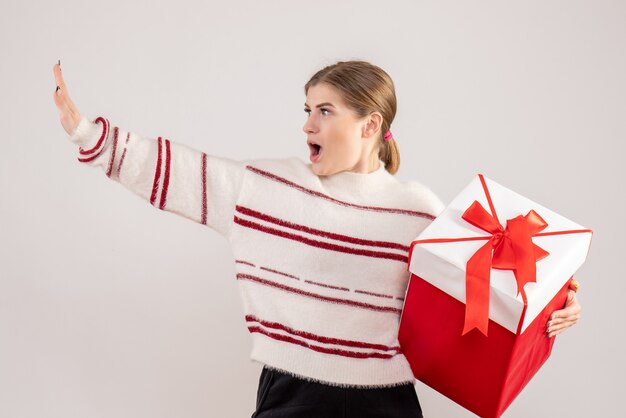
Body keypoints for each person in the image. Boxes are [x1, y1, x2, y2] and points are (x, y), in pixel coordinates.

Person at [52, 59, 581, 417]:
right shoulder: (269, 189)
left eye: (324, 111)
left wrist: (557, 304)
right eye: (306, 110)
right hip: (291, 397)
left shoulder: (418, 210)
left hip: (386, 404)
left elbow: (487, 295)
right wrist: (91, 136)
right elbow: (185, 176)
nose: (308, 124)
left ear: (371, 124)